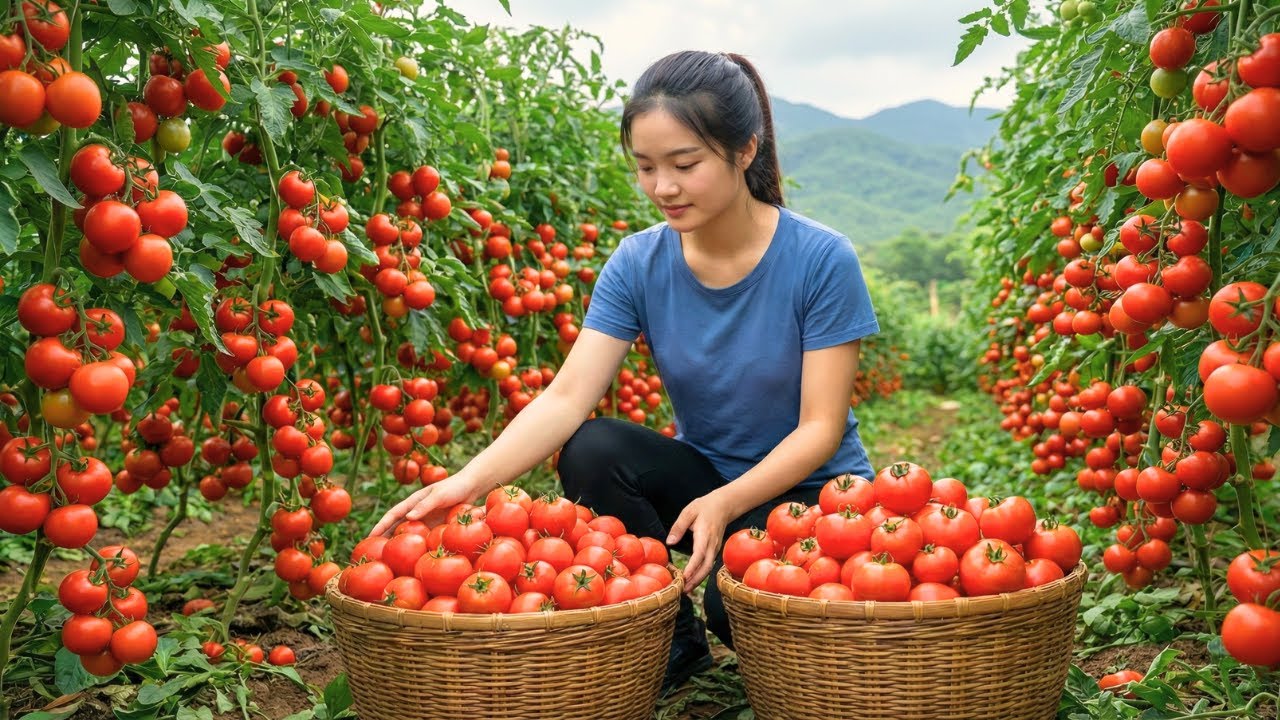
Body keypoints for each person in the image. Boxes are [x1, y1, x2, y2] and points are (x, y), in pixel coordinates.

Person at [370, 49, 879, 693]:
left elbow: (820, 430)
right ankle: (669, 636)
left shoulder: (820, 258)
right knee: (594, 445)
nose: (662, 187)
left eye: (684, 165)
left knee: (740, 611)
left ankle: (718, 605)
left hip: (813, 494)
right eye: (645, 167)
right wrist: (464, 484)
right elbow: (566, 399)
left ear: (745, 151)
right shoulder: (639, 262)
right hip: (703, 479)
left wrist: (725, 503)